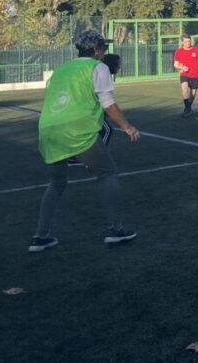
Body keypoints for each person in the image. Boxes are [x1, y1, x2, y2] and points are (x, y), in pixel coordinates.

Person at [29, 30, 140, 252]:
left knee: (56, 183)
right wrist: (127, 127)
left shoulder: (60, 70)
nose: (105, 51)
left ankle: (40, 237)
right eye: (103, 47)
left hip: (48, 130)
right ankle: (116, 230)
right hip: (78, 130)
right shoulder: (97, 67)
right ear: (96, 50)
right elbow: (108, 104)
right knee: (107, 173)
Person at [173, 34, 198, 117]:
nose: (188, 43)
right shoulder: (179, 51)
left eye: (189, 41)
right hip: (184, 74)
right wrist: (182, 67)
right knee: (184, 88)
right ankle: (187, 109)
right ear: (182, 42)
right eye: (186, 41)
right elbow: (176, 65)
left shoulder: (195, 50)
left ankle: (188, 108)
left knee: (193, 94)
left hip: (196, 75)